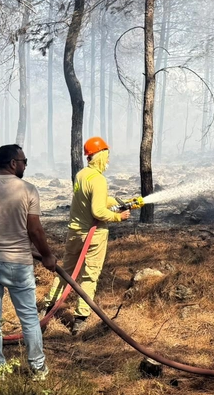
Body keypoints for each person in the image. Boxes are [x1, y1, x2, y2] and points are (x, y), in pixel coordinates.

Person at [0, 144, 57, 380]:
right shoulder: (28, 190)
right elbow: (35, 230)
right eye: (24, 161)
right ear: (13, 163)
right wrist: (47, 255)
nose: (26, 165)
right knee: (28, 317)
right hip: (18, 263)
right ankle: (38, 369)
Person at [43, 136, 130, 335]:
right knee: (89, 276)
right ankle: (80, 320)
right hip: (94, 235)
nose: (108, 161)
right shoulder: (99, 180)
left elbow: (90, 198)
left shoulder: (82, 175)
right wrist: (119, 216)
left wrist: (116, 201)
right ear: (99, 156)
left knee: (66, 272)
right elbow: (98, 212)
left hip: (74, 232)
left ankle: (47, 308)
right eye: (106, 156)